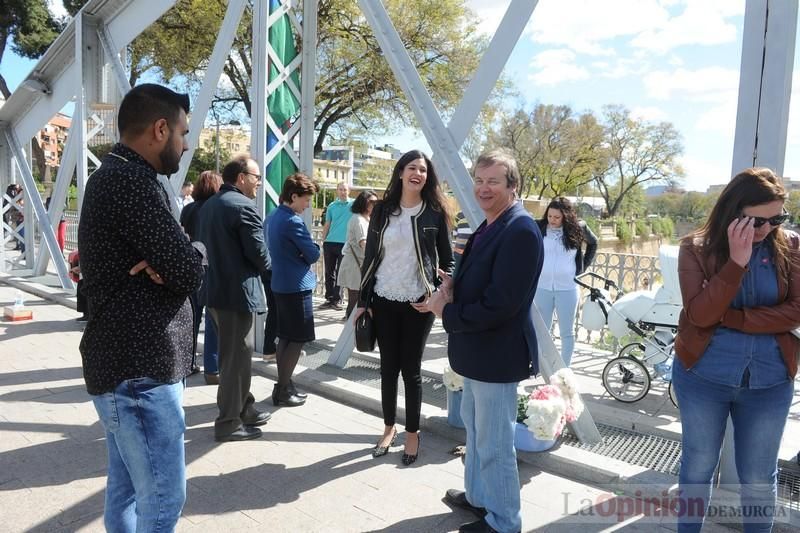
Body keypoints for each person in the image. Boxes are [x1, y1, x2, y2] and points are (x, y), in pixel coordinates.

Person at [77, 83, 205, 532]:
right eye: (183, 133)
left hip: (124, 365)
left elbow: (175, 264)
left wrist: (176, 256)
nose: (186, 144)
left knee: (127, 486)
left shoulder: (113, 176)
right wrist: (193, 252)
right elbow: (188, 271)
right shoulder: (131, 183)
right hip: (139, 370)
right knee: (164, 495)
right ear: (160, 128)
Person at [422, 149, 543, 533]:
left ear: (513, 186)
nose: (483, 188)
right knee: (476, 437)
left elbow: (501, 305)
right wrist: (453, 286)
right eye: (478, 179)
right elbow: (483, 281)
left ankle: (505, 522)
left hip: (496, 354)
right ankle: (479, 499)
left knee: (495, 445)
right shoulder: (491, 224)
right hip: (477, 353)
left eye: (493, 181)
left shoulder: (520, 230)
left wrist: (446, 312)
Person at [673, 167, 799, 532]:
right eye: (758, 221)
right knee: (697, 466)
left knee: (760, 475)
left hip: (770, 380)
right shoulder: (695, 248)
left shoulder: (790, 247)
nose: (768, 229)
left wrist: (736, 319)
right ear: (733, 212)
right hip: (703, 376)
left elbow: (797, 309)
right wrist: (736, 263)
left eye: (778, 218)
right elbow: (700, 314)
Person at [355, 150, 454, 466]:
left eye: (423, 170)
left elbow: (447, 261)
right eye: (412, 167)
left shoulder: (434, 213)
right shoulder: (382, 210)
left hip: (419, 303)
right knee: (388, 369)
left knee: (411, 371)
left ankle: (412, 434)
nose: (418, 174)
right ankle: (388, 428)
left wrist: (439, 294)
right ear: (400, 172)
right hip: (383, 298)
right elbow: (371, 257)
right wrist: (362, 303)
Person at [199, 155, 272, 442]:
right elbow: (260, 254)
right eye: (256, 177)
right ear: (241, 178)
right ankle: (229, 422)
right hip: (237, 294)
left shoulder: (210, 205)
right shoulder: (243, 206)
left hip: (215, 291)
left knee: (237, 356)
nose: (258, 183)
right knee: (234, 359)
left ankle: (245, 407)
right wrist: (268, 266)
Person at [268, 173, 320, 407]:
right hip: (297, 286)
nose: (308, 205)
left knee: (285, 338)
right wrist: (311, 248)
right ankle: (282, 388)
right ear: (294, 196)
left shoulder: (273, 216)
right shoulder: (293, 221)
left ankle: (285, 385)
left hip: (279, 283)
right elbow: (313, 254)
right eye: (306, 200)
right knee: (297, 339)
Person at [534, 197, 598, 366]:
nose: (552, 220)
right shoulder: (539, 227)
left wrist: (582, 267)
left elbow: (593, 243)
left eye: (557, 217)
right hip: (542, 288)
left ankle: (564, 370)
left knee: (566, 332)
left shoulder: (579, 228)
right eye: (550, 216)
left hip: (568, 289)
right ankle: (542, 367)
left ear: (566, 216)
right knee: (542, 331)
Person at [180, 170, 223, 384]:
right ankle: (213, 367)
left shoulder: (187, 209)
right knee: (213, 319)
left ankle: (187, 362)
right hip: (212, 267)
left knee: (192, 318)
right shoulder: (215, 208)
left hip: (192, 264)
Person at [337, 190, 378, 319]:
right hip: (355, 264)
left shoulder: (368, 219)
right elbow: (364, 244)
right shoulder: (358, 220)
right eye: (371, 202)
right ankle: (351, 331)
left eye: (376, 202)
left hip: (359, 263)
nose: (374, 204)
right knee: (355, 301)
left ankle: (353, 329)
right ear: (363, 203)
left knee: (358, 300)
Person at [320, 182, 353, 310]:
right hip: (330, 243)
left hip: (345, 243)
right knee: (329, 272)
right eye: (340, 189)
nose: (343, 192)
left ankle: (337, 299)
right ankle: (329, 298)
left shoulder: (354, 204)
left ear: (349, 191)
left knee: (341, 273)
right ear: (337, 191)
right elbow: (327, 224)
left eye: (345, 189)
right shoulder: (331, 206)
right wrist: (323, 241)